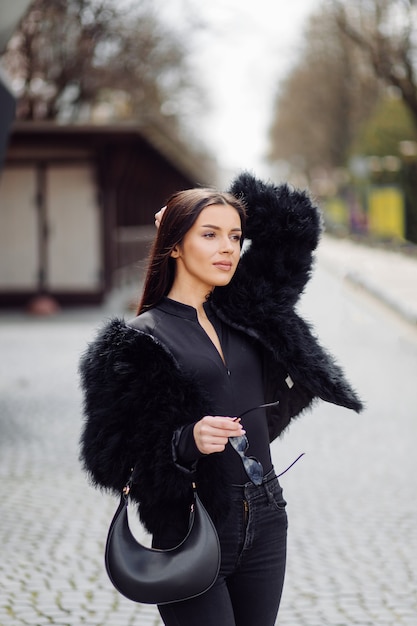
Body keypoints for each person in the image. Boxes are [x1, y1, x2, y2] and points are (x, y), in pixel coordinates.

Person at [79, 172, 363, 626]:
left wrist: (212, 202)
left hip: (267, 516)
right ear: (174, 244)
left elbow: (297, 226)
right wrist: (185, 441)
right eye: (208, 235)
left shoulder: (248, 309)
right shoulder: (134, 341)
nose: (228, 247)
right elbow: (107, 459)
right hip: (191, 524)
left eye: (235, 236)